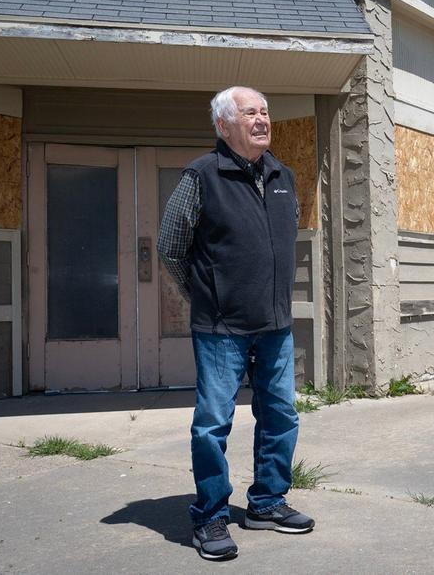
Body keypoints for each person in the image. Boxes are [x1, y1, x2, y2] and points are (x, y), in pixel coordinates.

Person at [158, 86, 314, 562]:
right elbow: (170, 245)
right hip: (220, 328)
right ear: (224, 126)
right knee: (212, 424)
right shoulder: (202, 175)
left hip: (275, 325)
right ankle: (210, 515)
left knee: (281, 415)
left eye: (265, 112)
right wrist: (205, 296)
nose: (262, 120)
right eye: (250, 113)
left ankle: (267, 502)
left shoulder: (283, 175)